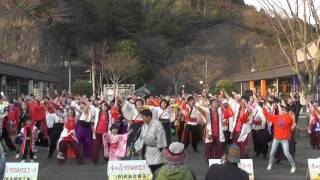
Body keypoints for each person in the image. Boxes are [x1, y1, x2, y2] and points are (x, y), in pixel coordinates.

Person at [263, 103, 296, 173]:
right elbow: (267, 116)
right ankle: (270, 164)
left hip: (284, 139)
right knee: (272, 152)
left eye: (282, 110)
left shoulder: (288, 118)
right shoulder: (276, 117)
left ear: (285, 111)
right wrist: (264, 109)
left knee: (286, 153)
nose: (281, 111)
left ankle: (293, 166)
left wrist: (292, 123)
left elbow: (292, 124)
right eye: (281, 110)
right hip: (276, 139)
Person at [135, 109, 167, 173]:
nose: (142, 119)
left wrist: (163, 148)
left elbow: (161, 137)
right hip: (148, 149)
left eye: (143, 118)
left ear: (149, 117)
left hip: (157, 149)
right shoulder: (144, 125)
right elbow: (141, 137)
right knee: (150, 169)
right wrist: (137, 147)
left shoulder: (157, 124)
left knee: (158, 169)